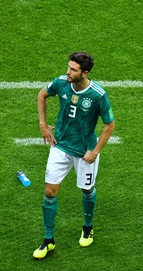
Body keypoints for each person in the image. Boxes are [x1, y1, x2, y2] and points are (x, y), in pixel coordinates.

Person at [33, 51, 115, 259]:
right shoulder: (61, 83)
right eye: (68, 67)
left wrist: (95, 152)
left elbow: (109, 125)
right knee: (50, 192)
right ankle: (48, 240)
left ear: (84, 72)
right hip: (60, 146)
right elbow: (42, 95)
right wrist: (43, 125)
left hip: (84, 152)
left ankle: (87, 227)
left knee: (87, 189)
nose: (68, 72)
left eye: (73, 70)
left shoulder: (98, 94)